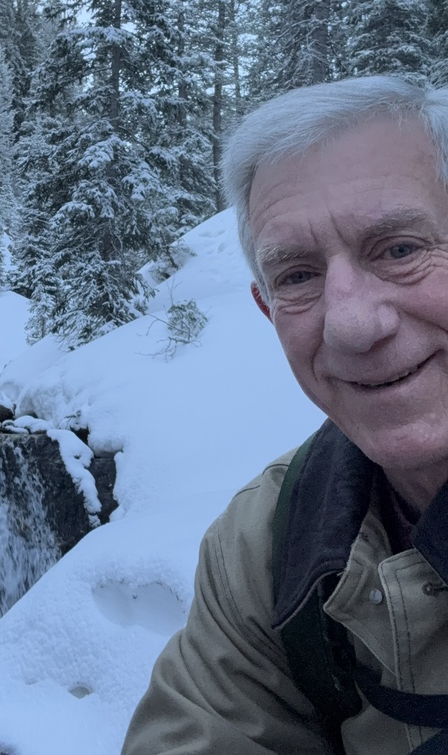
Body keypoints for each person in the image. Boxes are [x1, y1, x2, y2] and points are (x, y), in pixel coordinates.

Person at [121, 75, 448, 755]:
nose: (352, 324)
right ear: (269, 310)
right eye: (297, 276)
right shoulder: (269, 544)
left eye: (400, 249)